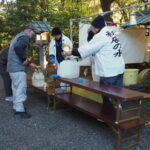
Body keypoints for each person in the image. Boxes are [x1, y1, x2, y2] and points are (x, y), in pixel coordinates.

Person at [63, 15, 125, 110]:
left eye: (92, 27)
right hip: (119, 69)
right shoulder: (110, 32)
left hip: (109, 72)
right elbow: (90, 50)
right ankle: (118, 111)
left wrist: (70, 52)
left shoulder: (100, 36)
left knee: (107, 95)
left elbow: (86, 49)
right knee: (118, 93)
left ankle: (109, 116)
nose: (92, 29)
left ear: (96, 28)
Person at [7, 24, 39, 119]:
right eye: (34, 33)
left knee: (16, 88)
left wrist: (27, 62)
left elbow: (15, 49)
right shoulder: (24, 37)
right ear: (29, 31)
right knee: (21, 89)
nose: (34, 35)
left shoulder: (17, 36)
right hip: (17, 68)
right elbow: (18, 48)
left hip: (12, 68)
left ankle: (17, 107)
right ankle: (19, 112)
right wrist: (26, 61)